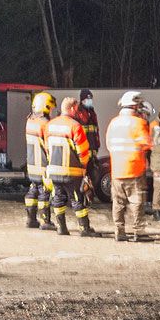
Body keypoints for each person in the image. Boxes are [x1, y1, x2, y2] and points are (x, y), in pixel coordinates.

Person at [45, 99, 101, 237]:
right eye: (76, 108)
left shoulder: (49, 125)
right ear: (71, 109)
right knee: (78, 199)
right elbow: (83, 151)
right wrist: (83, 167)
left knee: (57, 198)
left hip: (54, 170)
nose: (78, 111)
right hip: (72, 170)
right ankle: (84, 229)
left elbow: (47, 148)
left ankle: (61, 228)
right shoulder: (75, 126)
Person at [106, 93, 153, 242]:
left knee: (118, 203)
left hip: (117, 169)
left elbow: (109, 144)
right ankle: (138, 232)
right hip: (134, 169)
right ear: (135, 105)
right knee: (136, 201)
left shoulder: (113, 122)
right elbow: (147, 143)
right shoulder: (139, 123)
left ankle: (119, 231)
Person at [23, 91, 55, 230]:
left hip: (31, 165)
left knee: (33, 191)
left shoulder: (30, 121)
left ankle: (30, 219)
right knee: (44, 193)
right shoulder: (45, 124)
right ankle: (45, 221)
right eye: (51, 108)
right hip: (43, 165)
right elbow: (49, 145)